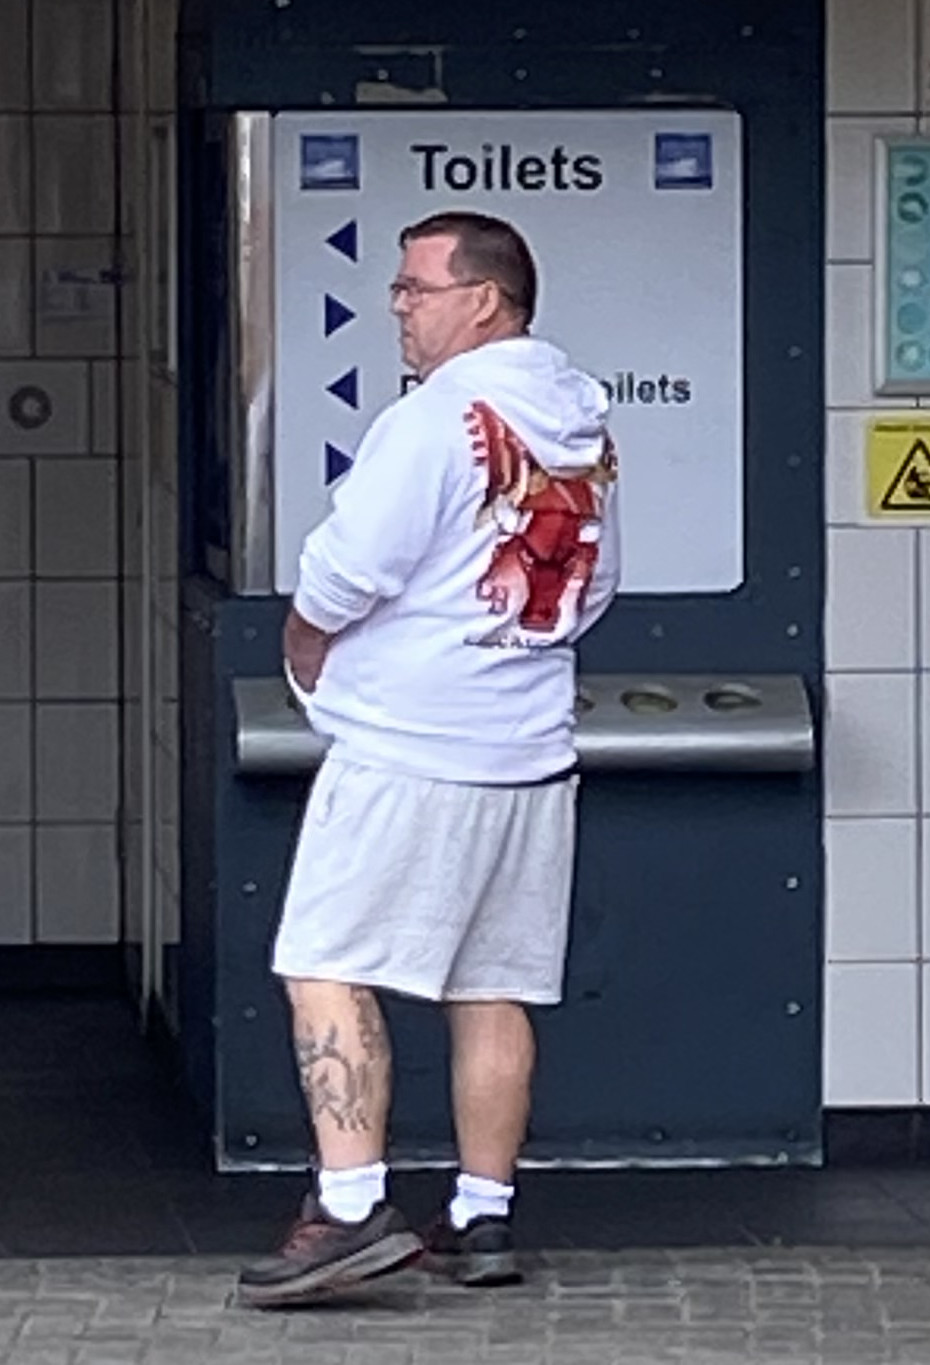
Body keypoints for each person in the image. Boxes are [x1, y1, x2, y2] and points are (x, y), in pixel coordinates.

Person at [238, 210, 621, 1308]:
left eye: (416, 288)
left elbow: (347, 567)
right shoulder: (582, 424)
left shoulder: (437, 419)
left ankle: (351, 1210)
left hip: (409, 747)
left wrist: (306, 647)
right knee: (492, 987)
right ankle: (482, 1219)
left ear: (484, 299)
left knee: (322, 962)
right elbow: (591, 588)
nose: (397, 307)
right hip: (528, 746)